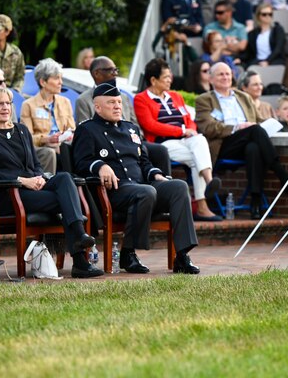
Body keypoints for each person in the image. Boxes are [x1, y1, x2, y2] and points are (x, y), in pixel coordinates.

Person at [73, 80, 201, 275]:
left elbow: (144, 162)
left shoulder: (130, 128)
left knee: (179, 187)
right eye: (111, 103)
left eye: (119, 102)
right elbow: (80, 163)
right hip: (114, 191)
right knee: (146, 192)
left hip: (143, 186)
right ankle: (128, 252)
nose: (117, 106)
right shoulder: (87, 129)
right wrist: (100, 165)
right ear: (97, 107)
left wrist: (156, 174)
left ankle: (182, 255)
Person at [0, 86, 101, 278]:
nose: (5, 107)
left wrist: (39, 178)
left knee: (65, 178)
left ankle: (78, 238)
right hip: (8, 194)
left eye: (8, 103)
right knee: (67, 200)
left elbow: (35, 164)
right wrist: (23, 181)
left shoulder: (22, 130)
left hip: (33, 188)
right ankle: (80, 259)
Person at [196, 62, 288, 219]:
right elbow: (207, 127)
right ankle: (284, 176)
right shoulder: (204, 100)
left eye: (228, 73)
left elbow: (258, 120)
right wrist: (237, 127)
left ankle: (255, 203)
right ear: (210, 79)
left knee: (253, 148)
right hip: (223, 145)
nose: (226, 77)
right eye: (221, 74)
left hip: (247, 142)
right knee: (254, 131)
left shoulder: (243, 97)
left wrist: (274, 124)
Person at [134, 58, 222, 222]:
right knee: (198, 159)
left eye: (170, 76)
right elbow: (150, 126)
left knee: (200, 140)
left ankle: (209, 184)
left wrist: (191, 131)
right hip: (163, 143)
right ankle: (203, 203)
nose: (170, 80)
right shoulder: (141, 99)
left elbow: (188, 119)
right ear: (153, 80)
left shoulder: (175, 96)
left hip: (186, 140)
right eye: (166, 77)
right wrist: (181, 130)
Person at [75, 56, 171, 174]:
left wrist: (134, 139)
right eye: (111, 70)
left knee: (160, 150)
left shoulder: (124, 97)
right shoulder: (84, 100)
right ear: (97, 73)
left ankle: (160, 181)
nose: (115, 74)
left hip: (129, 139)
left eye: (116, 70)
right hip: (105, 143)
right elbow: (86, 131)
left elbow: (134, 123)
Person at [19, 58, 75, 175]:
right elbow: (27, 139)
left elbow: (72, 129)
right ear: (43, 82)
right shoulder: (28, 105)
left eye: (61, 78)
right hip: (43, 148)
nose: (61, 82)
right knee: (52, 152)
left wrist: (69, 136)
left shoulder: (66, 102)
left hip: (63, 146)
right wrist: (48, 139)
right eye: (56, 78)